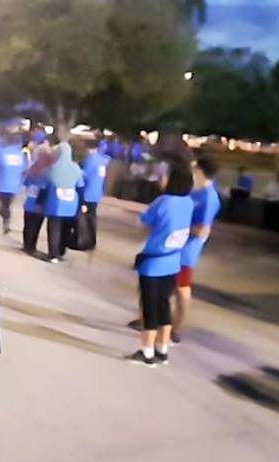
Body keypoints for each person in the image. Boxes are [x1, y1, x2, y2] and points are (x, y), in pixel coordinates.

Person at [127, 156, 194, 366]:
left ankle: (147, 352)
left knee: (150, 309)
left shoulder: (163, 201)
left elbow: (144, 220)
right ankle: (162, 350)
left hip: (153, 263)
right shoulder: (188, 203)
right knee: (164, 307)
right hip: (173, 262)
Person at [172, 155, 222, 343]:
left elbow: (202, 231)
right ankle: (149, 318)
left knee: (181, 289)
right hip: (176, 244)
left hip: (187, 251)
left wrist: (179, 225)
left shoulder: (209, 198)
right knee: (164, 284)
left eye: (194, 168)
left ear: (200, 170)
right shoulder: (195, 191)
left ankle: (176, 328)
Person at [42, 142, 84, 263]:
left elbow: (45, 187)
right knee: (66, 229)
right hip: (71, 205)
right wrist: (82, 204)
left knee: (54, 230)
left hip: (55, 204)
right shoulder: (76, 168)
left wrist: (40, 202)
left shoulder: (52, 169)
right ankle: (61, 251)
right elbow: (80, 187)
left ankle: (53, 255)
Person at [0, 132, 29, 235]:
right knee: (7, 205)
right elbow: (26, 169)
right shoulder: (20, 155)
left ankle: (7, 219)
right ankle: (6, 223)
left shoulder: (1, 152)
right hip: (15, 186)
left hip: (2, 185)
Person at [22, 143, 53, 255]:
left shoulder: (33, 168)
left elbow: (26, 183)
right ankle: (31, 247)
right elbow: (48, 186)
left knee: (27, 224)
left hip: (29, 201)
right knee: (36, 226)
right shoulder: (49, 171)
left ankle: (26, 245)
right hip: (41, 203)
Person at [80, 138, 111, 250]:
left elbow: (84, 175)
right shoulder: (102, 160)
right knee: (92, 217)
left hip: (87, 193)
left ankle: (85, 241)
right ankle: (92, 241)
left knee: (84, 219)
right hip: (96, 193)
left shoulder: (91, 159)